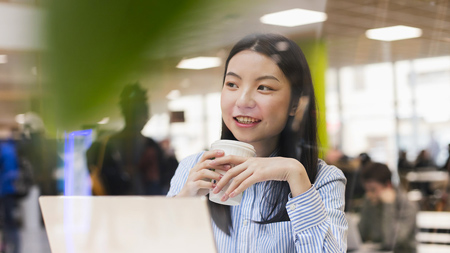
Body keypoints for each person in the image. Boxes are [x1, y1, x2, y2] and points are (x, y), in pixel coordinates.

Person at [167, 33, 347, 252]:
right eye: (232, 84)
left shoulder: (323, 180)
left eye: (264, 87)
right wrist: (184, 201)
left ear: (295, 104)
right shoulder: (192, 169)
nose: (242, 101)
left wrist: (294, 174)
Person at [87, 83, 165, 195]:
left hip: (147, 205)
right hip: (116, 205)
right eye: (141, 113)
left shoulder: (151, 145)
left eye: (145, 113)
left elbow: (160, 181)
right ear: (127, 114)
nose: (145, 118)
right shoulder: (105, 145)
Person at [358, 162, 418, 253]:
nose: (369, 194)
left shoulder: (407, 206)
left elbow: (391, 242)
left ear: (388, 185)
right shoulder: (369, 201)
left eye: (373, 190)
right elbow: (360, 234)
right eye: (366, 190)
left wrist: (388, 205)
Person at [0, 134, 21, 253]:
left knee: (8, 219)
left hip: (6, 190)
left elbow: (10, 172)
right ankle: (8, 244)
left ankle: (9, 245)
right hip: (7, 189)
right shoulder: (10, 150)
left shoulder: (5, 152)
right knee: (8, 219)